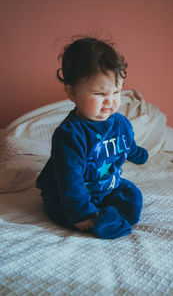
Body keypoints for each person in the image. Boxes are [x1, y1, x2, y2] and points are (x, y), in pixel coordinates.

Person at [36, 36, 149, 239]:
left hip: (107, 185)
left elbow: (126, 144)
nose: (110, 101)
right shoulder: (70, 135)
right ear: (72, 93)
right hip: (73, 192)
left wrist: (138, 154)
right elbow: (69, 180)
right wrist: (81, 214)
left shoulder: (120, 122)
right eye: (99, 93)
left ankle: (110, 215)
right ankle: (96, 221)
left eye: (116, 92)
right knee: (58, 207)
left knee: (132, 195)